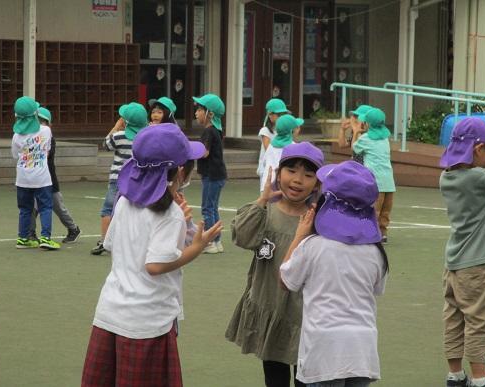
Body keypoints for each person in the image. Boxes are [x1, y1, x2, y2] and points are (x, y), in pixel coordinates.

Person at [81, 123, 223, 387]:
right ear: (180, 171)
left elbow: (115, 244)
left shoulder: (125, 201)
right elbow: (156, 265)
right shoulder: (169, 214)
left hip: (110, 312)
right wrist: (196, 248)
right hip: (147, 321)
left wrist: (187, 228)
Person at [280, 160, 389, 387]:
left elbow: (285, 280)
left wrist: (300, 234)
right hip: (362, 351)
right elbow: (377, 288)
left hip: (323, 352)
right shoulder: (376, 253)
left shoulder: (312, 246)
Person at [226, 142, 325, 387]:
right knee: (275, 378)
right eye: (291, 170)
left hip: (303, 314)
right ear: (278, 173)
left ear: (318, 184)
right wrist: (262, 199)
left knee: (306, 377)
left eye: (308, 175)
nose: (298, 180)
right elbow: (242, 236)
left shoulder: (318, 220)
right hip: (269, 306)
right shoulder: (266, 212)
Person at [439, 117, 485, 387]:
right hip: (479, 264)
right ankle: (479, 378)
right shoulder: (478, 178)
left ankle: (455, 375)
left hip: (454, 262)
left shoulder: (447, 176)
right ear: (478, 149)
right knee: (479, 320)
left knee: (454, 319)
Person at [91, 102, 147, 255]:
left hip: (118, 179)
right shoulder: (146, 137)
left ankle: (105, 242)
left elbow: (106, 144)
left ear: (125, 121)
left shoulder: (119, 136)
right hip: (138, 179)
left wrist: (116, 126)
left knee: (108, 210)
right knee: (136, 209)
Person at [11, 96, 60, 250]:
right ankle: (46, 237)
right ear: (35, 114)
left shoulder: (16, 136)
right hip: (42, 178)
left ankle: (23, 238)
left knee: (25, 209)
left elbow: (15, 155)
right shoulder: (46, 130)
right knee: (45, 207)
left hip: (23, 178)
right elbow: (47, 150)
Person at [28, 107, 81, 243]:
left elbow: (45, 155)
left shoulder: (50, 138)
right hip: (34, 179)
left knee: (58, 207)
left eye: (43, 122)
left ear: (48, 124)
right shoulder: (30, 136)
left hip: (49, 180)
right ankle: (30, 233)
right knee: (32, 207)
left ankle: (73, 228)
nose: (40, 124)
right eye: (38, 121)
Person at [352, 107, 395, 243]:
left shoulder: (365, 138)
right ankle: (383, 233)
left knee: (374, 210)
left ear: (368, 124)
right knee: (385, 211)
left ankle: (372, 233)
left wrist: (355, 132)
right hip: (389, 181)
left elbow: (355, 148)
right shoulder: (385, 138)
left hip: (374, 181)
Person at [193, 93, 227, 254]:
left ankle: (211, 242)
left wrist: (188, 150)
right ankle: (217, 241)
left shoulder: (208, 132)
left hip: (212, 175)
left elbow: (204, 153)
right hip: (217, 175)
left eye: (200, 109)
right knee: (213, 207)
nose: (196, 113)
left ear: (210, 114)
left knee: (207, 208)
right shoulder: (216, 131)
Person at [260, 114, 298, 192]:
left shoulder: (271, 146)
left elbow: (264, 163)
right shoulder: (295, 147)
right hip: (284, 187)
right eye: (296, 127)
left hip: (266, 185)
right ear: (291, 130)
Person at [257, 98, 289, 188]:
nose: (281, 117)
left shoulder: (285, 129)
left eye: (283, 114)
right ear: (269, 115)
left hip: (282, 167)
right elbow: (269, 150)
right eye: (278, 114)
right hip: (268, 167)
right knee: (266, 195)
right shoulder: (265, 130)